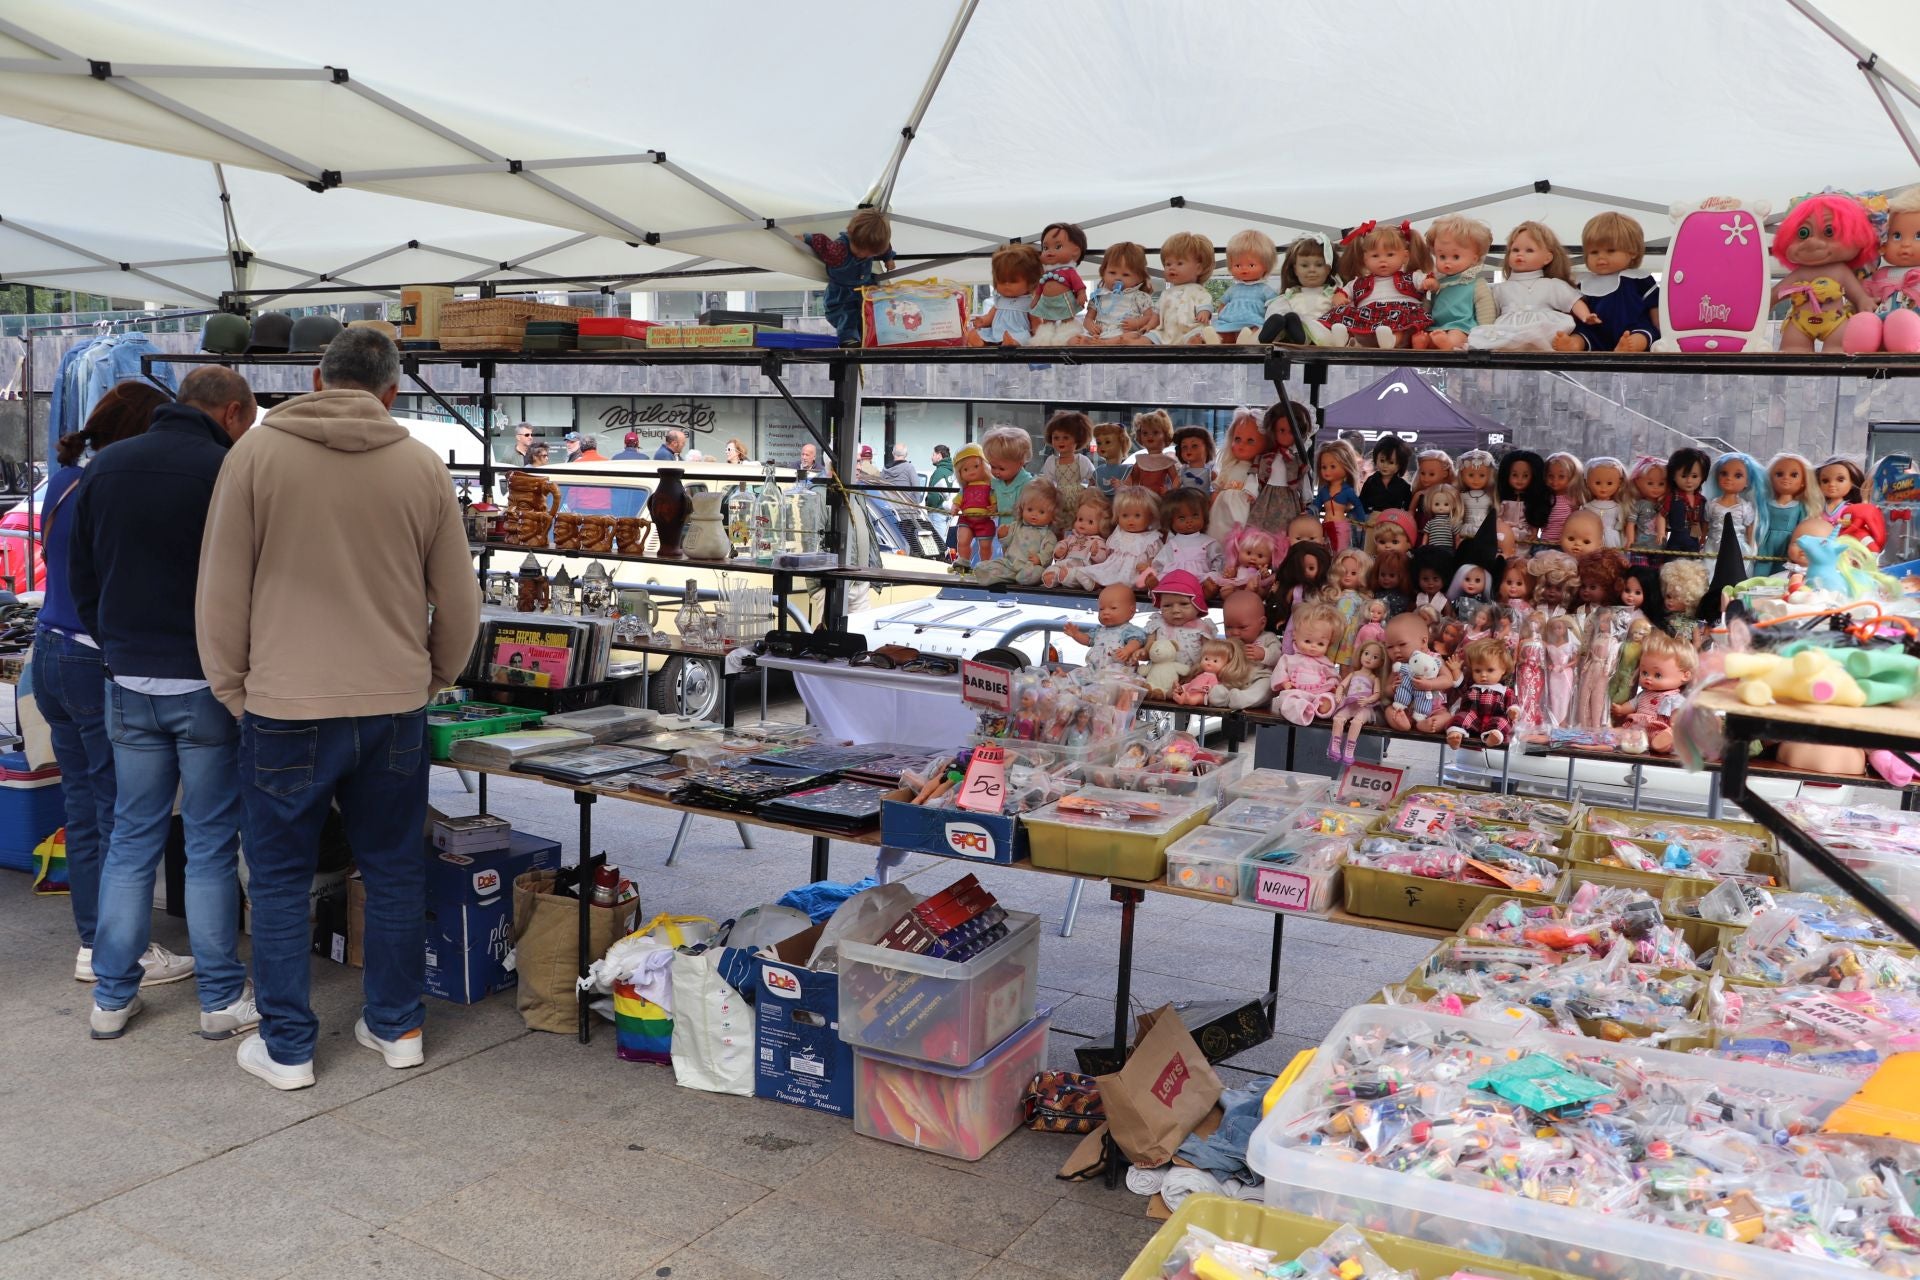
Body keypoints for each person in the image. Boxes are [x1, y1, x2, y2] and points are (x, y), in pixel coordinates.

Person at [198, 328, 481, 1090]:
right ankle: (398, 1028)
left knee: (282, 876)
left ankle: (289, 1047)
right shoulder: (422, 466)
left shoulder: (255, 454)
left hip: (284, 704)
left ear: (318, 380)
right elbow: (460, 602)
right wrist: (430, 679)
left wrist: (233, 689)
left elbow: (221, 589)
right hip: (392, 704)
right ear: (392, 392)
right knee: (392, 871)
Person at [71, 366, 259, 1042]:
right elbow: (251, 581)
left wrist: (116, 644)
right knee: (209, 844)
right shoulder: (227, 470)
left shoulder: (109, 465)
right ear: (231, 412)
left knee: (130, 839)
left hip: (127, 678)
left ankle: (113, 998)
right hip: (205, 682)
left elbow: (81, 573)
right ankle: (217, 1002)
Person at [34, 382, 187, 988]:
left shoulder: (65, 481)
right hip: (90, 655)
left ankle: (93, 939)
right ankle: (111, 948)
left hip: (50, 649)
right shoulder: (106, 485)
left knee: (86, 807)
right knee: (119, 812)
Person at [800, 208, 896, 345]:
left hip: (864, 289)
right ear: (851, 234)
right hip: (842, 295)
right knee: (847, 316)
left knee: (872, 313)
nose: (862, 255)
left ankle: (870, 337)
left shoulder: (873, 244)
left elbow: (885, 247)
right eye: (858, 250)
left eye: (870, 254)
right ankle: (848, 339)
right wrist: (806, 238)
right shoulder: (839, 250)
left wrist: (888, 258)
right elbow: (822, 243)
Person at [563, 431, 612, 516]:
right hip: (604, 509)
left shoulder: (576, 464)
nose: (568, 444)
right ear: (595, 447)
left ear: (581, 447)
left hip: (583, 509)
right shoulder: (607, 463)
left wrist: (571, 508)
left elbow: (572, 491)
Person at [882, 443, 921, 536]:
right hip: (906, 510)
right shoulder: (909, 467)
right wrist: (916, 505)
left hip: (890, 509)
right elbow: (917, 488)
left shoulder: (885, 469)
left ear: (892, 453)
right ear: (906, 454)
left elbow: (881, 489)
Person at [924, 443, 954, 542]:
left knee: (936, 543)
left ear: (939, 455)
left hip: (936, 512)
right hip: (948, 512)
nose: (931, 457)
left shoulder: (939, 472)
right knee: (943, 540)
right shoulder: (952, 471)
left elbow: (933, 495)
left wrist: (929, 506)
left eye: (933, 454)